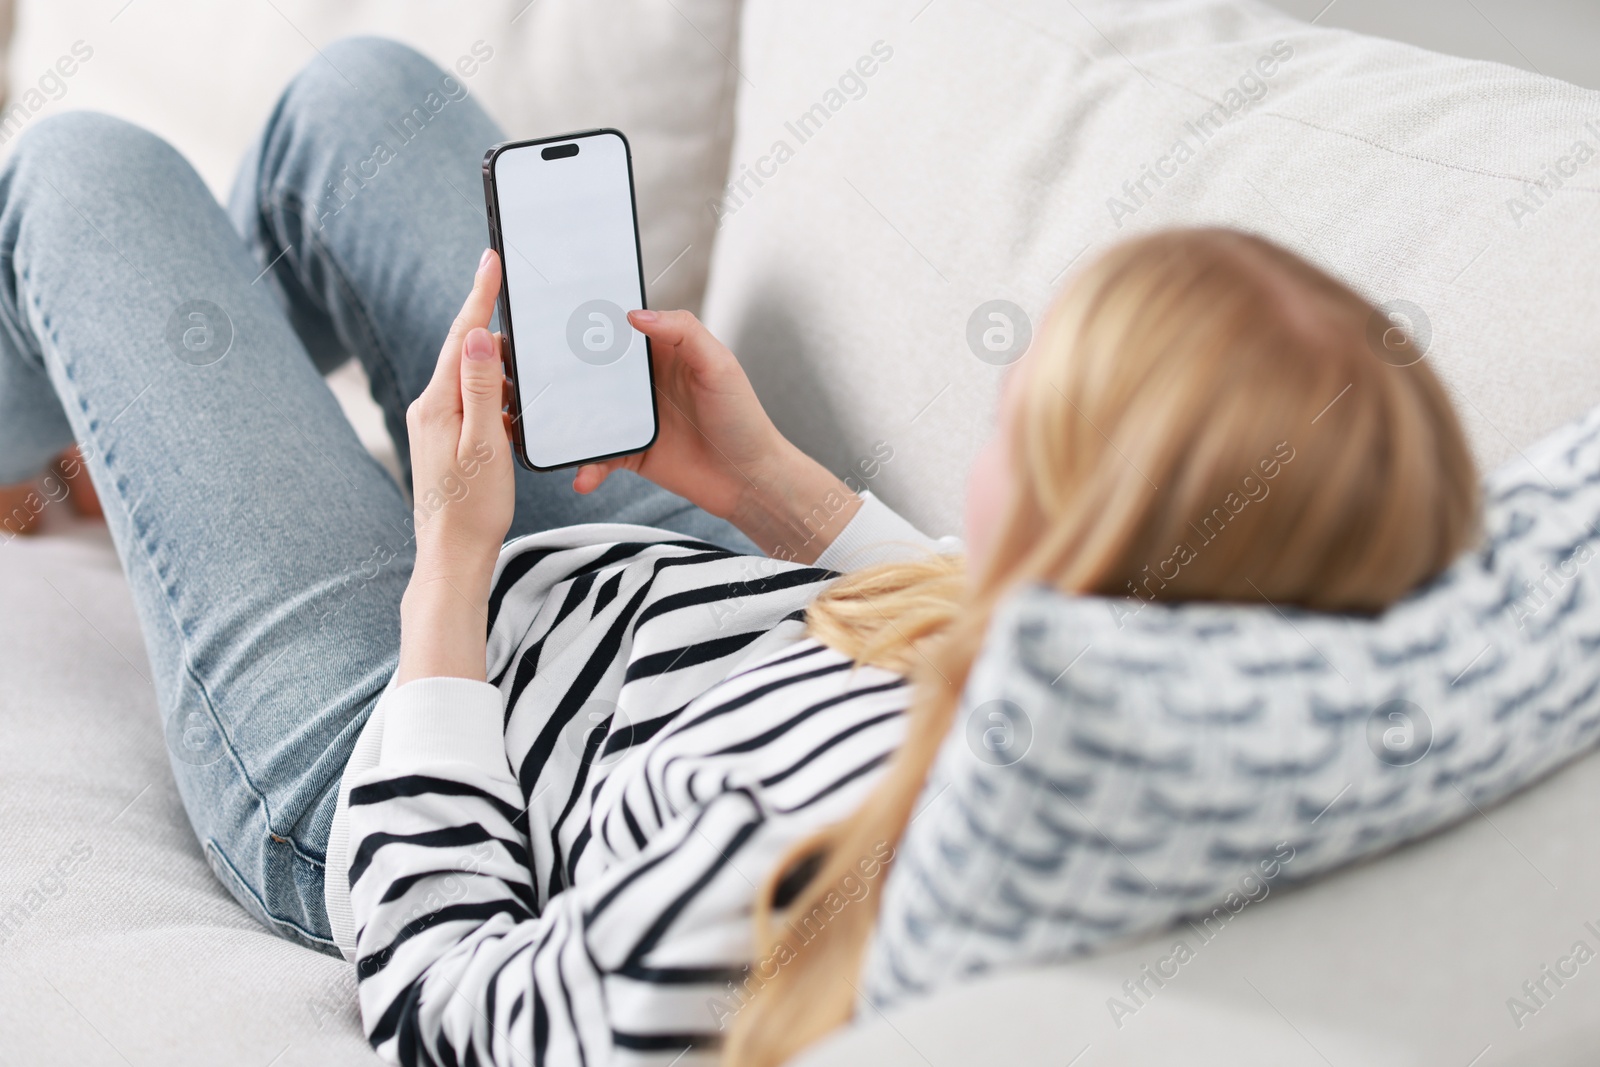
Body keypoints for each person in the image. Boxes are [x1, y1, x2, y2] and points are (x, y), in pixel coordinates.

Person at [0, 38, 1476, 1067]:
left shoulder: (779, 888)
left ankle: (102, 397)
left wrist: (446, 569)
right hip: (680, 578)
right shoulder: (1168, 688)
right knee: (364, 103)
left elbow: (465, 1005)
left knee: (79, 173)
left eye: (1021, 434)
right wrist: (767, 483)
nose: (989, 434)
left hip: (413, 741)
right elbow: (961, 631)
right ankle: (128, 392)